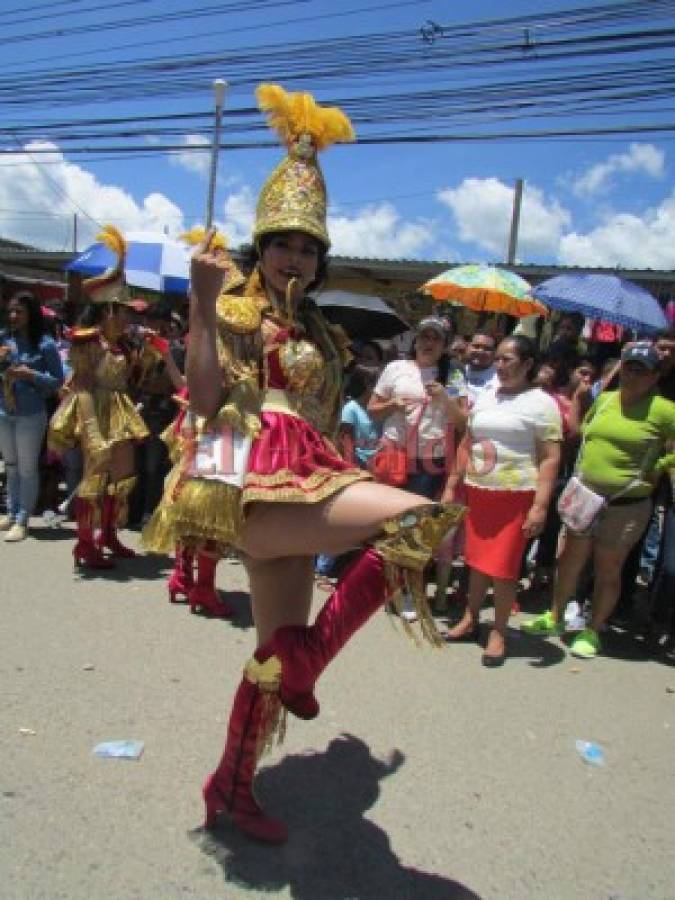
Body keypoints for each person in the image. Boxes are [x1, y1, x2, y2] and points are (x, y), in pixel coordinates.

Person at [146, 84, 463, 844]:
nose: (297, 256)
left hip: (305, 485)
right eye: (284, 242)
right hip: (258, 493)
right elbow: (206, 399)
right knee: (421, 519)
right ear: (262, 247)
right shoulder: (232, 308)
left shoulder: (322, 332)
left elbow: (323, 427)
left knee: (266, 657)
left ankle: (230, 786)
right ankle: (310, 657)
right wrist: (199, 301)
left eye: (309, 246)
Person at [522, 343, 675, 659]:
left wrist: (656, 468)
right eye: (629, 367)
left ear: (655, 376)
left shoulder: (665, 410)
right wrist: (579, 400)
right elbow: (584, 432)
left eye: (640, 370)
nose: (632, 375)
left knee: (609, 566)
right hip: (585, 496)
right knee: (569, 561)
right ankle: (555, 615)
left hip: (626, 505)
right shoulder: (605, 400)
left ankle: (593, 629)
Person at [48, 227, 172, 569]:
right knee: (94, 478)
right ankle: (85, 544)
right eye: (123, 311)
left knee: (123, 475)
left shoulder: (125, 344)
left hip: (120, 409)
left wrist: (150, 351)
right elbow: (82, 384)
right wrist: (91, 430)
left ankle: (109, 534)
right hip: (93, 410)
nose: (129, 317)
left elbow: (140, 379)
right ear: (106, 312)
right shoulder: (87, 341)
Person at [444, 335, 562, 665]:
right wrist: (453, 483)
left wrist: (540, 506)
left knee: (504, 568)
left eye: (508, 359)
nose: (500, 365)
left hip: (516, 497)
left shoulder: (542, 403)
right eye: (498, 358)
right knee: (476, 561)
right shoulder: (487, 395)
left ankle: (498, 630)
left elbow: (550, 458)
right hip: (480, 493)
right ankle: (470, 619)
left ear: (527, 364)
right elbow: (468, 440)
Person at [0, 291, 64, 541]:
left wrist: (31, 375)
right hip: (5, 410)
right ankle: (12, 511)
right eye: (11, 311)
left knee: (27, 468)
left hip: (31, 413)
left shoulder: (45, 344)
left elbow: (57, 381)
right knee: (11, 466)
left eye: (20, 312)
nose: (14, 316)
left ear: (32, 314)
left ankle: (23, 518)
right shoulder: (5, 339)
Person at [464, 329, 497, 407]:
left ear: (494, 352)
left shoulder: (500, 378)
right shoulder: (457, 370)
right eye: (476, 346)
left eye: (487, 349)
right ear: (468, 347)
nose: (481, 351)